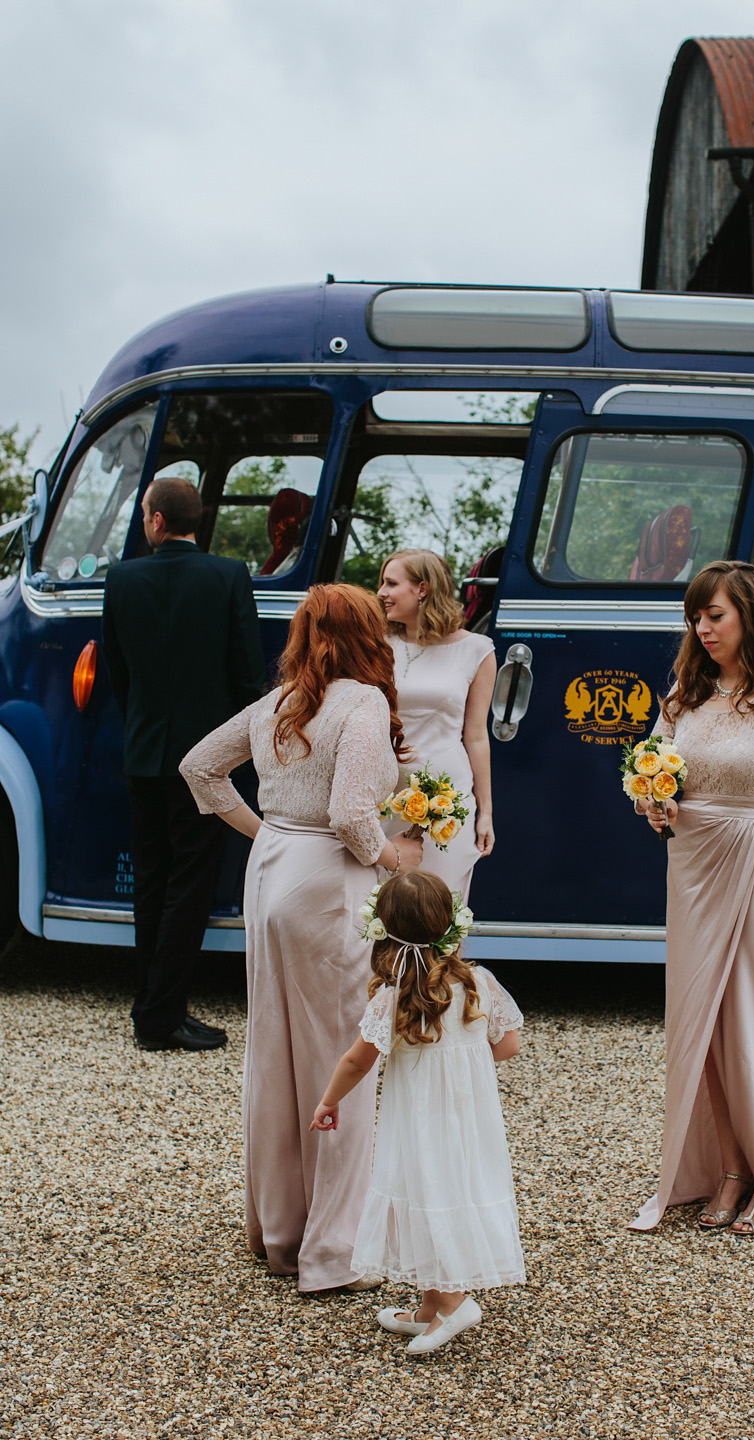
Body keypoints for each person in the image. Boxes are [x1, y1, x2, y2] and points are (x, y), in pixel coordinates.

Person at [179, 584, 423, 1293]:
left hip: (272, 874)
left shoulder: (280, 701)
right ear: (368, 634)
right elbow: (351, 816)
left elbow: (200, 767)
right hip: (328, 885)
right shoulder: (365, 703)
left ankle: (279, 1231)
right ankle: (334, 1250)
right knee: (341, 1053)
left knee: (273, 1051)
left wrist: (270, 835)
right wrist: (394, 859)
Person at [627, 560, 754, 1239]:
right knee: (703, 1020)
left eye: (714, 614)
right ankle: (727, 1169)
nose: (702, 627)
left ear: (750, 613)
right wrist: (651, 801)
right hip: (692, 863)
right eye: (695, 616)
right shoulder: (685, 696)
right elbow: (650, 770)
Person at [311, 870, 525, 1355]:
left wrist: (328, 1101)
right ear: (448, 924)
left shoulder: (395, 997)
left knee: (426, 1193)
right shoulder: (479, 983)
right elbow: (507, 1044)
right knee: (440, 1193)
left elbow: (357, 1060)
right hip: (469, 1118)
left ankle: (454, 1303)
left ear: (383, 930)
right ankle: (429, 1307)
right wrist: (462, 1063)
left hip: (422, 1120)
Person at [102, 476, 266, 1052]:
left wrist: (143, 731)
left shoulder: (121, 579)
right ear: (198, 522)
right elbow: (248, 672)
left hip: (143, 754)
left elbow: (118, 674)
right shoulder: (227, 577)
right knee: (190, 885)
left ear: (154, 521)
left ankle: (151, 1005)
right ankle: (161, 1017)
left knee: (150, 880)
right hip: (207, 761)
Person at [377, 549, 496, 902]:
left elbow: (475, 736)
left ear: (423, 589)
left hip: (446, 792)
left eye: (391, 583)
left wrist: (485, 811)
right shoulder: (378, 646)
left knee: (439, 904)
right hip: (383, 789)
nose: (381, 592)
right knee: (379, 906)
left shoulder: (477, 650)